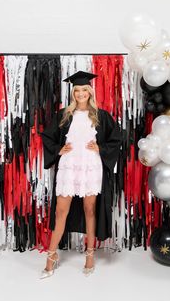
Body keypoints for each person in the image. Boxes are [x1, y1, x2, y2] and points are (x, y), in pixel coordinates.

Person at [40, 71, 122, 279]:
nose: (81, 93)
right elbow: (48, 136)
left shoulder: (101, 116)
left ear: (90, 92)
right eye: (77, 90)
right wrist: (58, 150)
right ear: (73, 94)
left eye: (85, 90)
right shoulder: (63, 115)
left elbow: (116, 138)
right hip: (69, 167)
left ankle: (90, 255)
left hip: (91, 167)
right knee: (60, 211)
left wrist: (100, 148)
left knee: (90, 210)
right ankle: (51, 256)